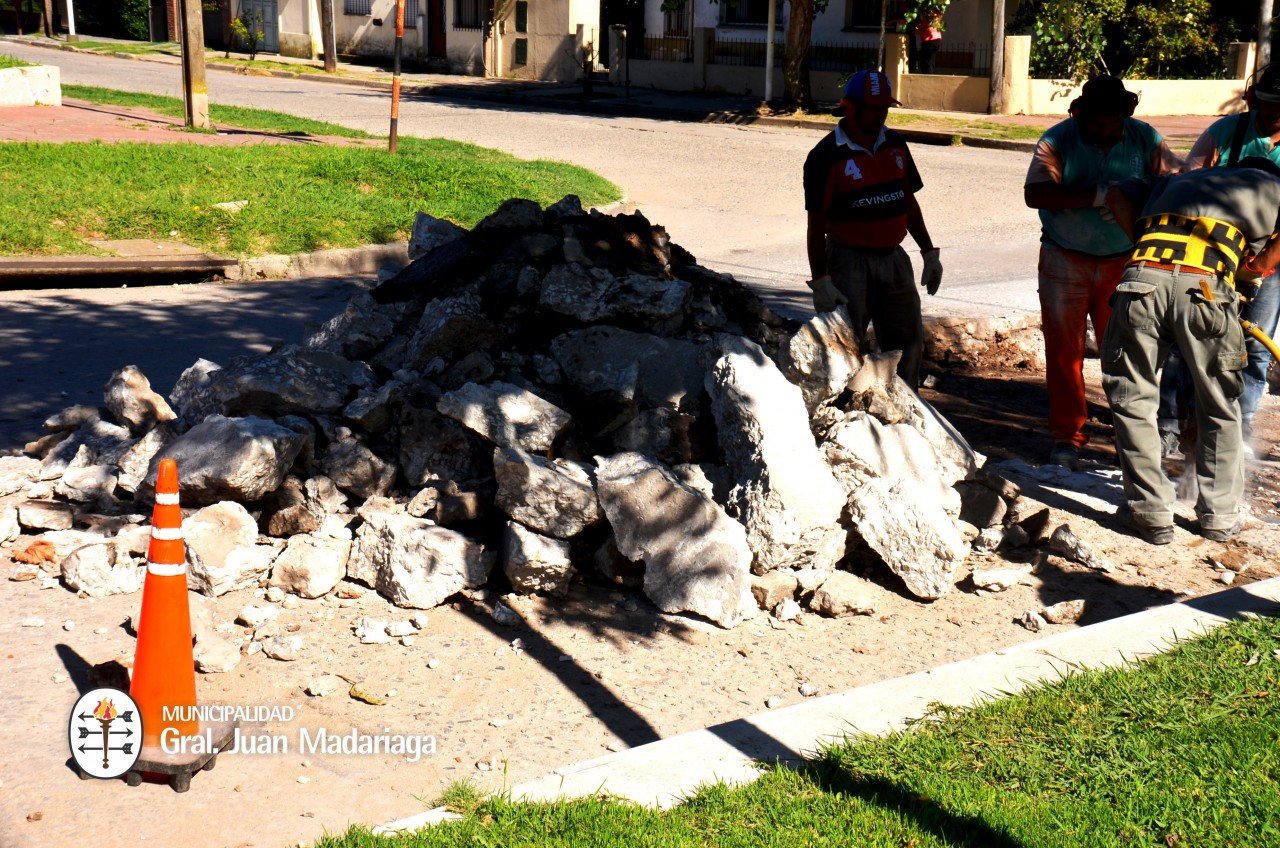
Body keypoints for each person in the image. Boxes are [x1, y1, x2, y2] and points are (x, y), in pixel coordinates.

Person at [1101, 158, 1280, 545]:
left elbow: (1115, 194)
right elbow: (1261, 263)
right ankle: (1219, 517)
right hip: (1208, 290)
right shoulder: (1273, 186)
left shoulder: (1179, 180)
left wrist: (1146, 240)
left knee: (1132, 399)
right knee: (1220, 403)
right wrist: (1261, 265)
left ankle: (1149, 514)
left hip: (1141, 279)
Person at [1023, 75, 1182, 469]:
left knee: (1129, 350)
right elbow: (1035, 193)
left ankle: (1132, 433)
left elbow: (1178, 182)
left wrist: (1140, 194)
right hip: (1064, 258)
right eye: (1096, 123)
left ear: (1126, 114)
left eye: (1113, 123)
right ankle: (1067, 435)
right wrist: (1097, 196)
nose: (1105, 131)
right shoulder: (1057, 140)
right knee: (1064, 353)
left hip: (1125, 260)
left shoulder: (1145, 138)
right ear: (1080, 112)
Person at [803, 69, 942, 389]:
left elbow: (908, 202)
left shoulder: (894, 144)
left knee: (908, 342)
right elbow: (815, 224)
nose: (882, 115)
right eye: (874, 108)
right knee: (846, 346)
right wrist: (821, 280)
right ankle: (845, 412)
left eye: (885, 108)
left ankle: (908, 408)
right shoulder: (825, 156)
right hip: (848, 262)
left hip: (894, 259)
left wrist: (928, 252)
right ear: (850, 108)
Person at [1183, 63, 1280, 453]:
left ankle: (1236, 432)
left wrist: (1260, 266)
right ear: (1254, 98)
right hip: (1214, 254)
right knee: (1189, 344)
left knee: (1255, 347)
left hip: (1270, 262)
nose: (1273, 115)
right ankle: (1174, 429)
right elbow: (1188, 183)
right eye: (1268, 105)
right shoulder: (1226, 132)